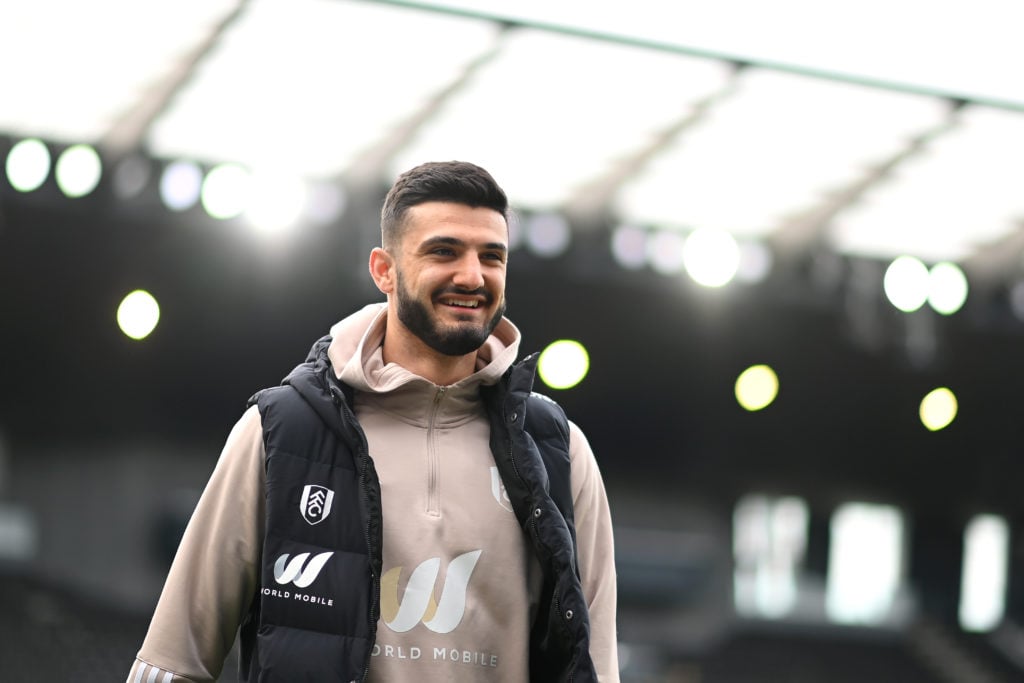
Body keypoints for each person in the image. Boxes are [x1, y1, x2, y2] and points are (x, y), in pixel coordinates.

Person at [127, 161, 619, 682]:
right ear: (384, 270)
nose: (472, 276)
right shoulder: (281, 432)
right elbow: (172, 662)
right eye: (444, 251)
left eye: (491, 257)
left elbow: (596, 670)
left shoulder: (558, 451)